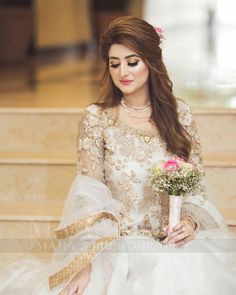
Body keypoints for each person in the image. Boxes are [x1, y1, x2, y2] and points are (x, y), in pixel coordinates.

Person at [0, 16, 236, 295]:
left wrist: (189, 222)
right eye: (114, 63)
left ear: (151, 62)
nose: (122, 71)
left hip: (173, 245)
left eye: (132, 62)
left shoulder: (179, 114)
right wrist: (84, 262)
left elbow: (195, 183)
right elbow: (89, 194)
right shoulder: (97, 119)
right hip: (116, 246)